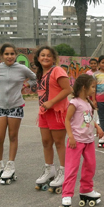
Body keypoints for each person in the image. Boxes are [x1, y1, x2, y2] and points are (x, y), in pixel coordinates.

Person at [0, 43, 37, 184]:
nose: (9, 56)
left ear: (15, 55)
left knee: (13, 136)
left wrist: (26, 85)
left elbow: (35, 78)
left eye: (12, 54)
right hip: (0, 106)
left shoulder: (21, 68)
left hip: (16, 106)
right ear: (2, 56)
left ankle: (10, 165)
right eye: (6, 54)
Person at [60, 74, 104, 207]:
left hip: (89, 140)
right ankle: (67, 195)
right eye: (92, 87)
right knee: (72, 168)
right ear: (84, 87)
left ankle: (86, 190)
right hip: (76, 141)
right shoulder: (75, 103)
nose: (94, 90)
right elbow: (67, 120)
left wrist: (97, 127)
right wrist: (71, 137)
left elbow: (89, 119)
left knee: (90, 165)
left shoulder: (88, 103)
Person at [33, 46, 73, 192]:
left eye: (48, 55)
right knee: (46, 142)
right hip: (44, 112)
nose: (45, 58)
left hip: (57, 111)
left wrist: (52, 102)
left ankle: (63, 171)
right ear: (38, 58)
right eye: (42, 55)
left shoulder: (57, 70)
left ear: (53, 58)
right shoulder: (40, 73)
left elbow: (68, 89)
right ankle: (49, 170)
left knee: (59, 142)